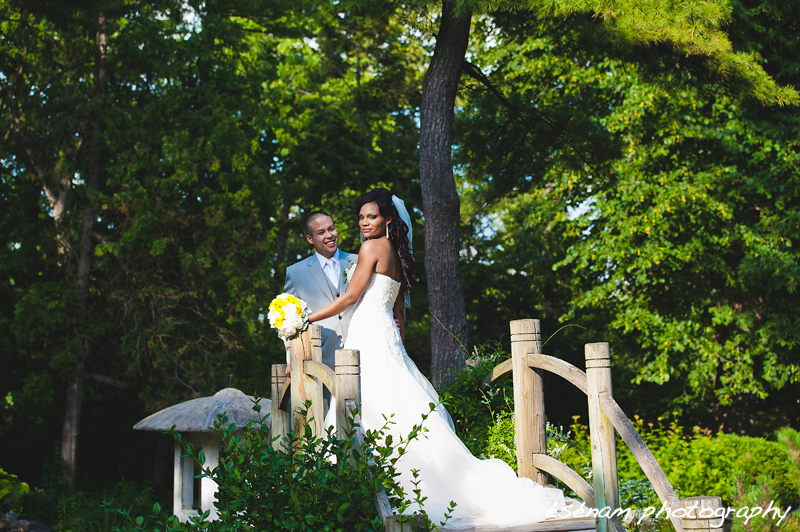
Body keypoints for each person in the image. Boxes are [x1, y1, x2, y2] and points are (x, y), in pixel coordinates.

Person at [307, 189, 565, 529]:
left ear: (386, 219)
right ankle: (404, 482)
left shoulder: (371, 248)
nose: (364, 223)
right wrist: (394, 338)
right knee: (395, 405)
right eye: (361, 217)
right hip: (384, 332)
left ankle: (368, 492)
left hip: (369, 333)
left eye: (371, 216)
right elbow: (398, 311)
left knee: (371, 402)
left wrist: (306, 319)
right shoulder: (398, 254)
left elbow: (352, 296)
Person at [284, 211, 358, 381]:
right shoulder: (295, 273)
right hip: (321, 360)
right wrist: (291, 359)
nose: (329, 235)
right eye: (321, 232)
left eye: (331, 229)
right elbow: (290, 321)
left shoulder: (358, 261)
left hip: (361, 351)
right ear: (310, 239)